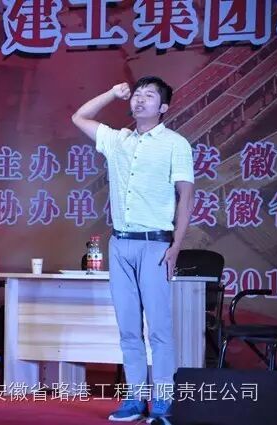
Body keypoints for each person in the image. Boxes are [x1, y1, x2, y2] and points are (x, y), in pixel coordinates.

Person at [72, 76, 194, 422]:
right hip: (120, 243)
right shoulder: (118, 140)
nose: (139, 100)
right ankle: (135, 400)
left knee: (159, 330)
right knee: (128, 329)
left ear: (164, 107)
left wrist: (176, 246)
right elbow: (79, 117)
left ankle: (164, 403)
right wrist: (112, 93)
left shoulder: (175, 144)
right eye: (137, 95)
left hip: (155, 244)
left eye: (149, 96)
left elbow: (186, 197)